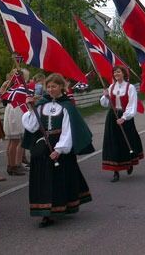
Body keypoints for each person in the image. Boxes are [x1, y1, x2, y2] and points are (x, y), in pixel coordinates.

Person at [22, 73, 93, 227]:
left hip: (59, 145)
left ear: (61, 87)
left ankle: (58, 208)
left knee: (58, 179)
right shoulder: (41, 104)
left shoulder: (66, 106)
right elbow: (32, 126)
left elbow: (67, 130)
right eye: (48, 87)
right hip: (42, 146)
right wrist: (30, 108)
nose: (51, 89)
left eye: (54, 86)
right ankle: (44, 212)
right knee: (43, 179)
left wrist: (59, 150)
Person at [100, 65, 144, 182]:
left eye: (118, 72)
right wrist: (105, 96)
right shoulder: (111, 87)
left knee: (126, 141)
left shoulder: (130, 88)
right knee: (113, 142)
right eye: (114, 73)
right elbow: (105, 104)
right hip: (112, 117)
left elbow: (132, 105)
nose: (116, 74)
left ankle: (129, 163)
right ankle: (115, 171)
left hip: (125, 117)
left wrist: (124, 117)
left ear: (123, 73)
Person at [3, 69, 29, 176]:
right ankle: (13, 165)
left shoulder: (13, 86)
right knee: (15, 140)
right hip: (15, 108)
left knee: (15, 141)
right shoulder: (12, 86)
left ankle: (15, 164)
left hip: (15, 108)